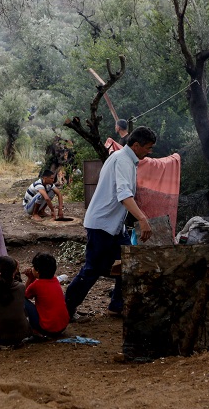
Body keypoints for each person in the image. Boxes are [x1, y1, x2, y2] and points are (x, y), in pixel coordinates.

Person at [65, 126, 156, 319]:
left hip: (114, 227)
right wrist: (142, 218)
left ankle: (117, 305)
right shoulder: (122, 160)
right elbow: (124, 195)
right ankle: (66, 308)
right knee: (92, 269)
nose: (150, 152)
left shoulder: (126, 160)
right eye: (148, 148)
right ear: (137, 145)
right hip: (102, 224)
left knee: (128, 263)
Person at [0, 256, 33, 350]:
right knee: (22, 304)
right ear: (13, 274)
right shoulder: (21, 287)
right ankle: (19, 339)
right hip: (21, 335)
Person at [23, 252, 69, 338]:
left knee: (22, 301)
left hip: (47, 328)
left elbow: (24, 295)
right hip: (62, 326)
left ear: (37, 271)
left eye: (33, 267)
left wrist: (30, 278)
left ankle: (34, 330)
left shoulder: (37, 284)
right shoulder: (55, 280)